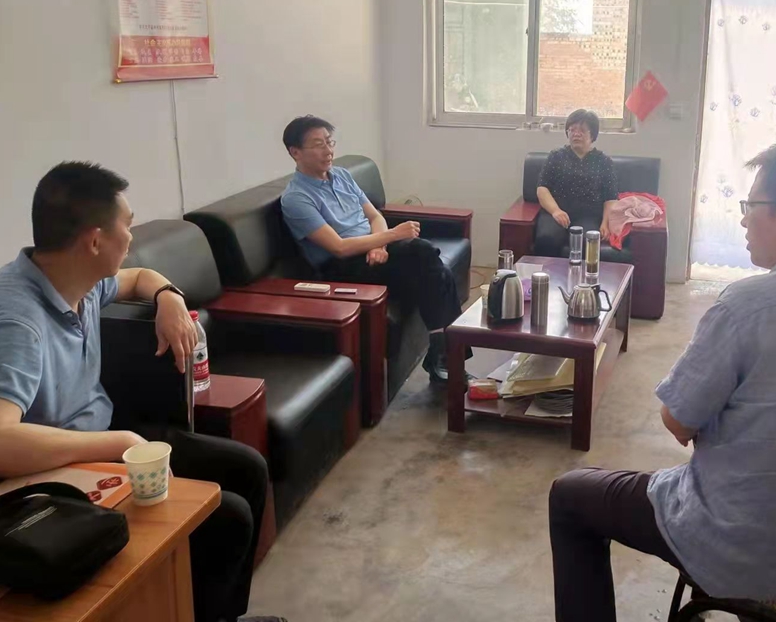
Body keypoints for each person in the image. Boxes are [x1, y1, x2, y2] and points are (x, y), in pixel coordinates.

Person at [547, 140, 776, 622]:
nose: (743, 220)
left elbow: (677, 421)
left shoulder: (747, 305)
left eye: (752, 205)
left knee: (571, 494)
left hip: (733, 544)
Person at [0, 162, 281, 622]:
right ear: (95, 241)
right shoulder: (17, 320)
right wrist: (118, 443)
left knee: (247, 468)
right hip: (55, 473)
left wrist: (169, 296)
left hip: (105, 434)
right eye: (127, 226)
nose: (131, 238)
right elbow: (2, 440)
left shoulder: (78, 279)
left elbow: (138, 276)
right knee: (227, 517)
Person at [279, 115, 464, 383]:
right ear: (295, 152)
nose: (328, 151)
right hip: (341, 269)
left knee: (436, 270)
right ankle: (448, 357)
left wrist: (380, 243)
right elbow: (339, 247)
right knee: (425, 254)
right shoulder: (296, 198)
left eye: (329, 142)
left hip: (371, 251)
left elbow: (375, 216)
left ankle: (444, 358)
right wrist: (390, 236)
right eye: (318, 145)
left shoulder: (342, 176)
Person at [533, 109, 618, 257]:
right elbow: (542, 189)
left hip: (588, 216)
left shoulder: (604, 162)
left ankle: (583, 273)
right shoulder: (556, 157)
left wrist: (605, 223)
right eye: (572, 130)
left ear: (593, 135)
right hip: (557, 212)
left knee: (588, 241)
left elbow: (610, 198)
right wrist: (556, 211)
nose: (576, 134)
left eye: (582, 130)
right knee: (547, 238)